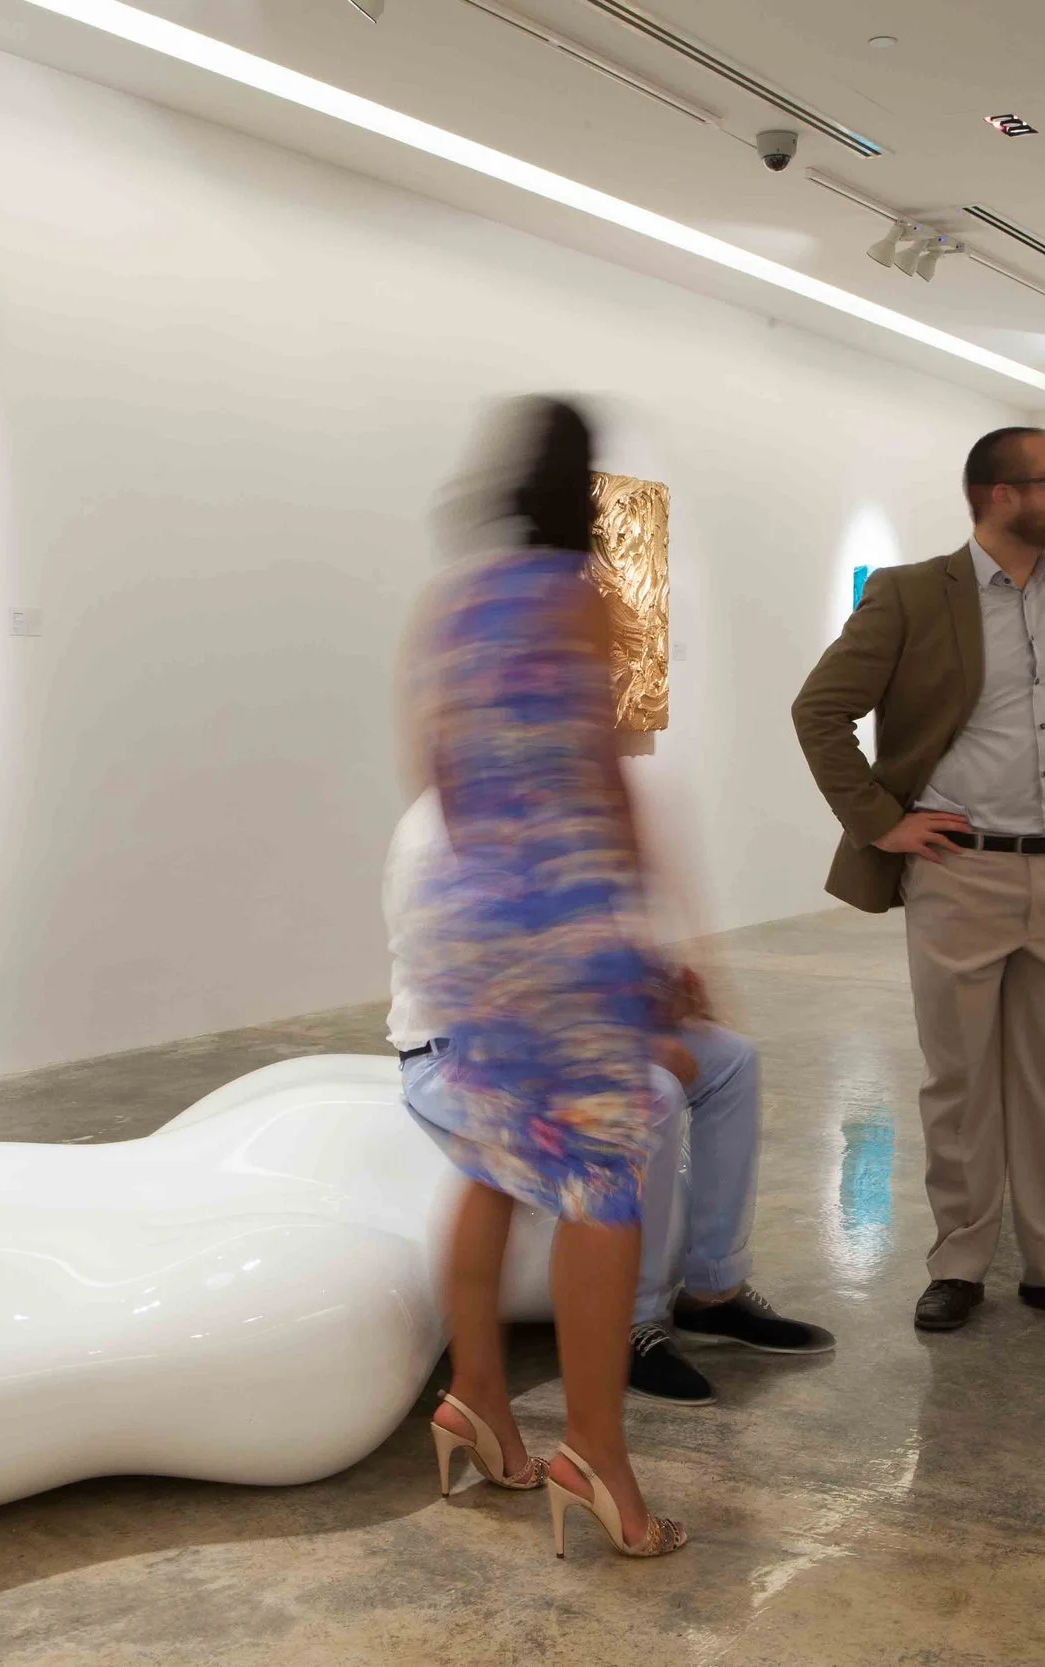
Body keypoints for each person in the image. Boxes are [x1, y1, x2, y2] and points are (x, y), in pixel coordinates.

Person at [792, 426, 1045, 1336]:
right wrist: (883, 822)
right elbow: (820, 709)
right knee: (959, 1080)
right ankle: (959, 1259)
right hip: (960, 873)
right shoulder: (913, 594)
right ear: (1000, 494)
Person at [403, 396, 684, 1558]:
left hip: (469, 913)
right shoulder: (584, 597)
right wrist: (651, 931)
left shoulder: (453, 603)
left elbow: (434, 765)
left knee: (491, 1158)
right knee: (603, 1175)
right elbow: (603, 779)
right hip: (563, 918)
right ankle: (597, 1458)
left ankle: (476, 1398)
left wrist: (486, 892)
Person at [385, 791, 834, 1405]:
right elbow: (492, 989)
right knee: (650, 1094)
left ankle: (713, 1288)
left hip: (557, 1028)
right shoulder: (442, 830)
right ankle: (629, 1322)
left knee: (732, 1061)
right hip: (458, 1054)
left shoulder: (545, 797)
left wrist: (657, 985)